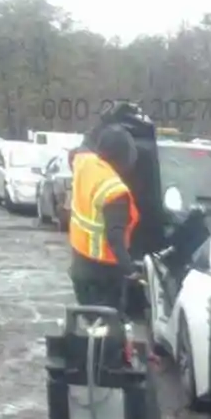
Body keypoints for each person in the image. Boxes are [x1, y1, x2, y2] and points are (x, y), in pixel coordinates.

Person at [68, 125, 142, 312]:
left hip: (80, 266)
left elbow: (76, 152)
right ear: (123, 157)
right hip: (103, 277)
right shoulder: (114, 191)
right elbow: (115, 237)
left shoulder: (85, 163)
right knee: (108, 332)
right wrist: (131, 271)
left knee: (92, 328)